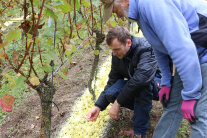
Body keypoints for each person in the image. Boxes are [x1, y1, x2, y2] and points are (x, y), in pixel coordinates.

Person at [100, 0, 207, 137]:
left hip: (202, 50)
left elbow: (183, 49)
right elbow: (158, 47)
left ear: (123, 1)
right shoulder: (141, 13)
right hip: (191, 54)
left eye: (115, 11)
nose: (119, 16)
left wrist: (191, 96)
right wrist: (166, 81)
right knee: (172, 105)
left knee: (197, 116)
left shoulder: (152, 4)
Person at [86, 26, 157, 138]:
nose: (114, 53)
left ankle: (139, 132)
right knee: (111, 92)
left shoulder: (146, 48)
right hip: (137, 83)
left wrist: (117, 103)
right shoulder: (117, 55)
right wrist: (98, 106)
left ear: (128, 42)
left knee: (142, 87)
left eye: (116, 49)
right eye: (112, 50)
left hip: (159, 84)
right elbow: (113, 80)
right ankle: (142, 110)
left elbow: (141, 79)